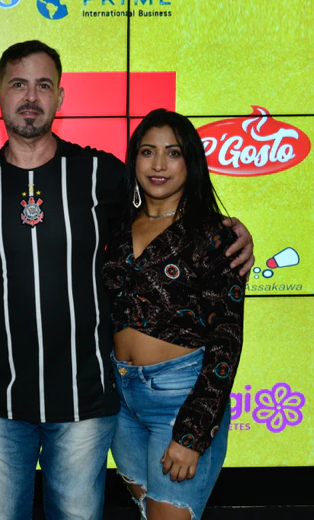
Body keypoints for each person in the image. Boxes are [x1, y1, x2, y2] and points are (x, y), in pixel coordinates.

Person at [0, 40, 254, 519]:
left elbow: (170, 214)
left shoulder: (102, 174)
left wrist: (232, 231)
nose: (30, 97)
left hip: (86, 399)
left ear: (60, 97)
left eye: (43, 86)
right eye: (18, 84)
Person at [102, 109, 244, 519]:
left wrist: (193, 433)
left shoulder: (215, 235)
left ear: (190, 162)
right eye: (148, 152)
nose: (159, 164)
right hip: (120, 400)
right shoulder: (116, 228)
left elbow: (227, 339)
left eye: (173, 152)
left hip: (180, 399)